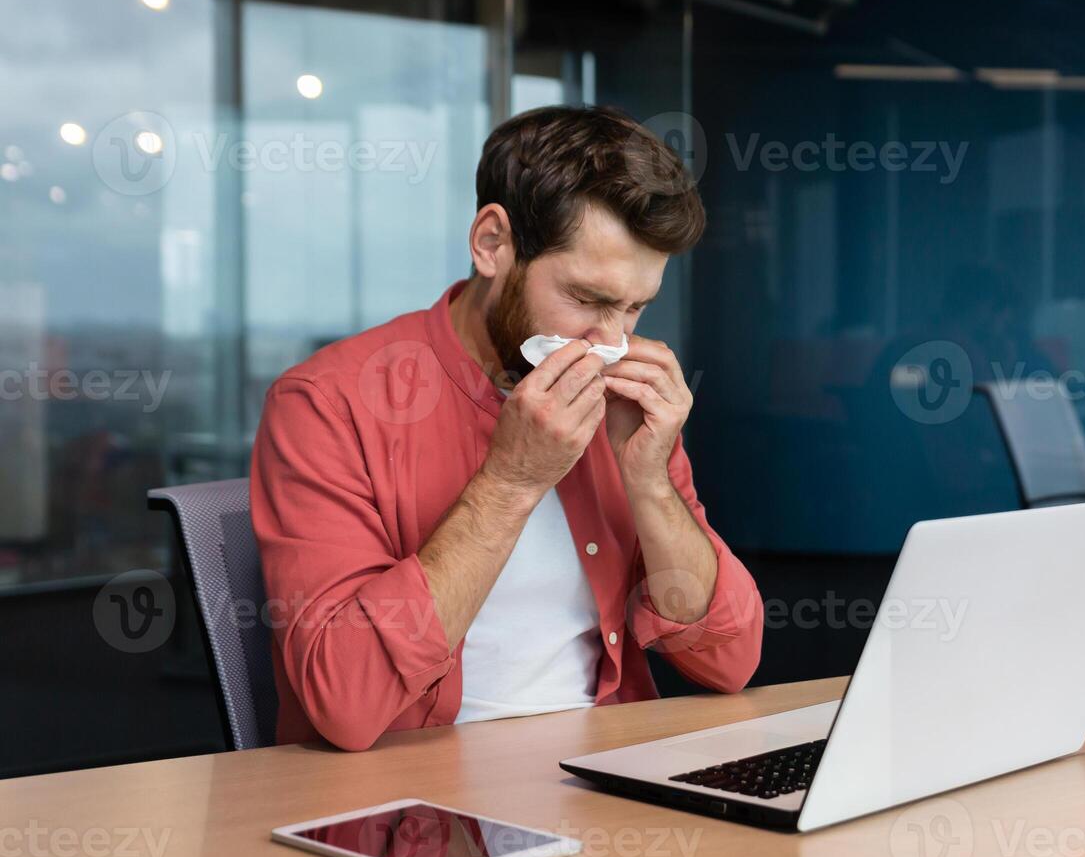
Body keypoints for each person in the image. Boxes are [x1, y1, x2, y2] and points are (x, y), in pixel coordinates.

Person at [250, 106, 762, 750]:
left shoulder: (625, 399)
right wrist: (513, 480)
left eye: (634, 307)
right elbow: (345, 703)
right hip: (412, 808)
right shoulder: (328, 403)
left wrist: (649, 480)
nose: (612, 340)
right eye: (588, 299)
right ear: (492, 243)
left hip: (611, 791)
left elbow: (729, 660)